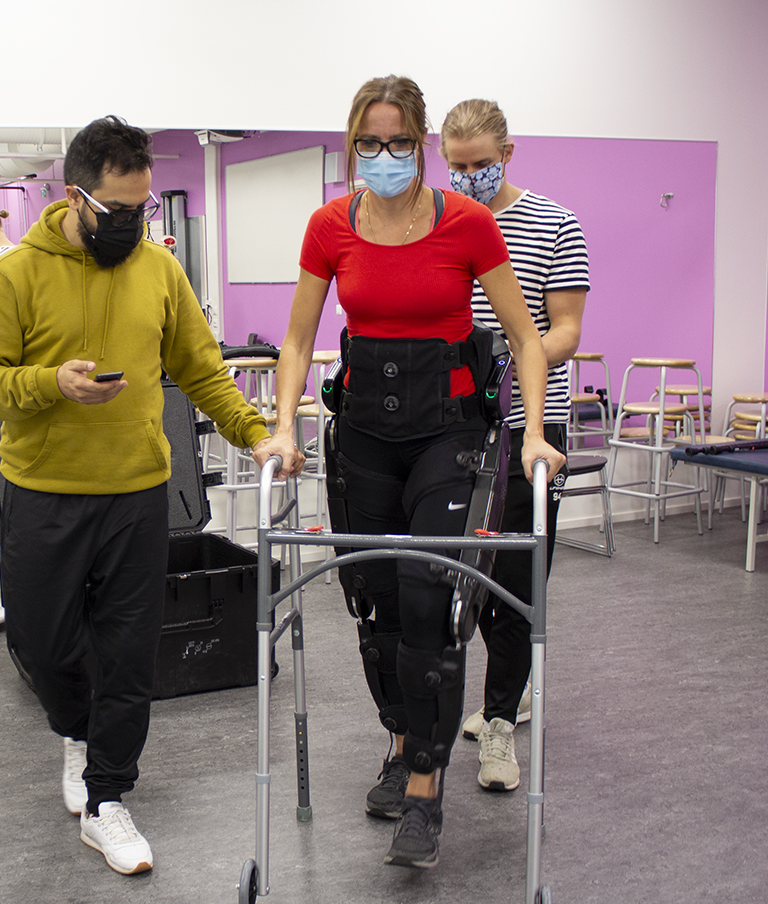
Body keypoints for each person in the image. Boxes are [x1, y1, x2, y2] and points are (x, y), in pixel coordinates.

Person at [0, 116, 287, 876]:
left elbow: (201, 368)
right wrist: (51, 383)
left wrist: (253, 431)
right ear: (75, 196)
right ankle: (77, 732)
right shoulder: (13, 276)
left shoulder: (158, 269)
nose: (132, 225)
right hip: (42, 494)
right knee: (44, 645)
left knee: (130, 652)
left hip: (137, 491)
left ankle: (108, 796)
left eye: (143, 210)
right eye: (117, 211)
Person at [255, 76, 565, 871]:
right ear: (351, 143)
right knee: (374, 604)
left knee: (430, 602)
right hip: (361, 432)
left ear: (420, 142)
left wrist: (533, 430)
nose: (383, 157)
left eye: (398, 143)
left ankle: (426, 790)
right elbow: (295, 342)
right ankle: (401, 744)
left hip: (447, 433)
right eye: (369, 142)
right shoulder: (330, 225)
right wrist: (283, 424)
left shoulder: (463, 223)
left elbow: (527, 338)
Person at [440, 99, 590, 792]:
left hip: (529, 424)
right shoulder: (433, 220)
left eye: (480, 164)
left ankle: (499, 724)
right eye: (456, 166)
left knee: (517, 580)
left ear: (507, 153)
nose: (467, 176)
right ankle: (432, 722)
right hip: (446, 425)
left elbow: (563, 330)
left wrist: (511, 357)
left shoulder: (554, 223)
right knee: (444, 576)